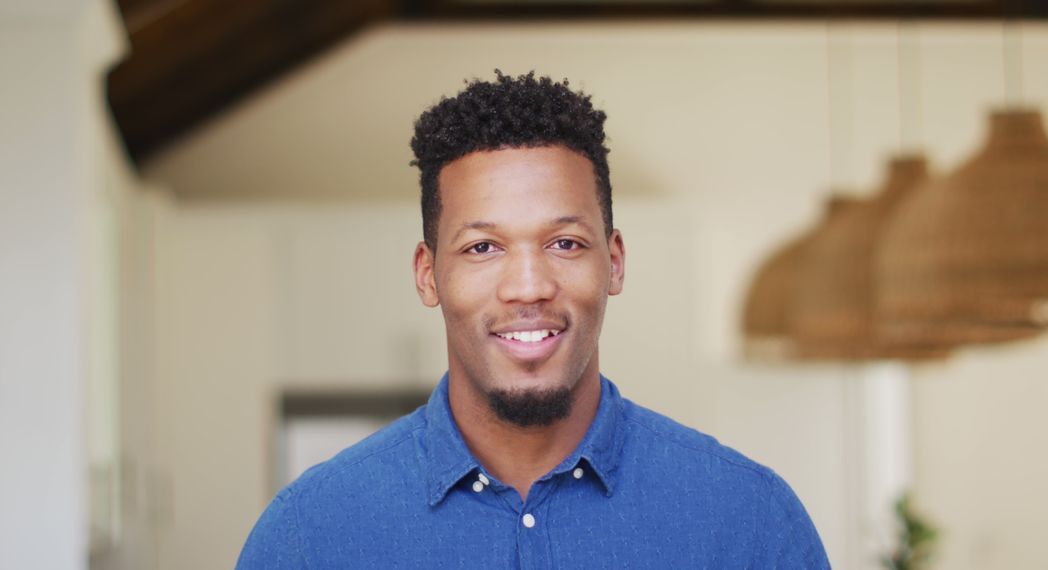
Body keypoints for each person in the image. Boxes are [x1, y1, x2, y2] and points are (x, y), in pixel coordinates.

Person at [237, 71, 830, 568]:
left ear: (615, 262)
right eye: (482, 247)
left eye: (565, 243)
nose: (528, 287)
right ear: (427, 275)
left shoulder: (750, 522)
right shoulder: (307, 539)